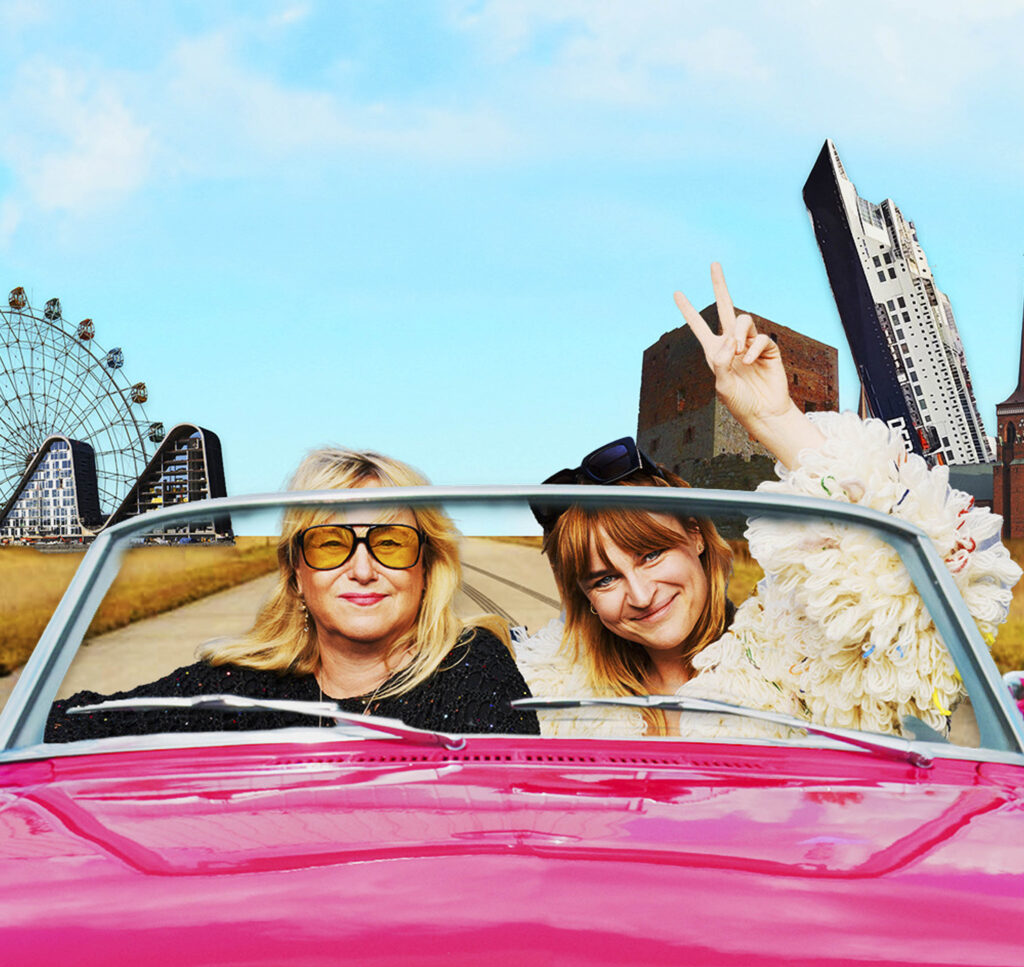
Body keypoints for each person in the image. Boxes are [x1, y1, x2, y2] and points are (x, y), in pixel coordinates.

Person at [516, 264, 1021, 739]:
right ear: (584, 597)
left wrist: (774, 420)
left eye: (651, 554)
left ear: (695, 534)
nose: (642, 594)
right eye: (604, 579)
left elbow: (942, 599)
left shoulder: (801, 663)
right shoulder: (548, 696)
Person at [47, 448, 540, 741]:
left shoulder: (472, 668)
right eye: (331, 545)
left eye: (391, 543)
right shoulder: (241, 689)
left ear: (427, 568)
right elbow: (74, 724)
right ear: (296, 574)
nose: (362, 570)